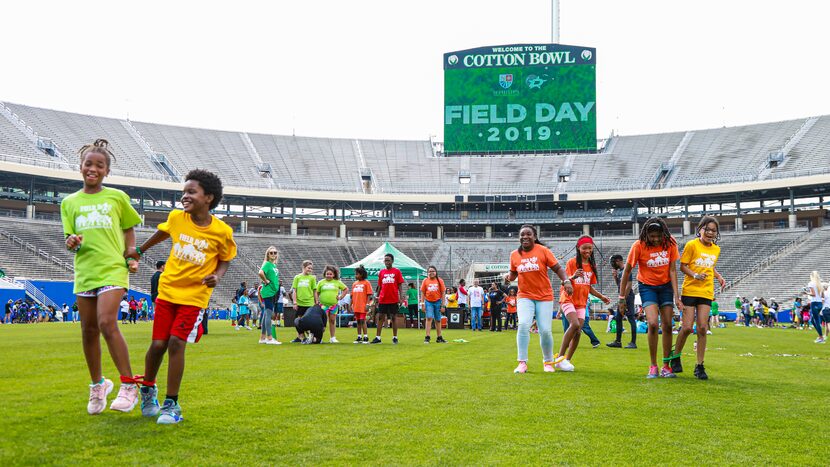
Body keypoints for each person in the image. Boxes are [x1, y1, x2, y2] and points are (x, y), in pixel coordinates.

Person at [131, 168, 236, 424]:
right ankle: (147, 390)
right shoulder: (177, 218)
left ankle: (172, 404)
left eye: (191, 192)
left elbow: (226, 259)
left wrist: (218, 277)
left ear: (208, 197)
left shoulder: (222, 231)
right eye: (183, 192)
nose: (184, 197)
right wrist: (140, 250)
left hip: (195, 295)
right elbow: (163, 232)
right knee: (158, 345)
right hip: (168, 291)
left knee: (177, 343)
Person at [60, 139, 143, 414]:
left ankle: (129, 385)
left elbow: (129, 228)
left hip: (112, 267)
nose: (92, 168)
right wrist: (71, 241)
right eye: (88, 164)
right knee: (88, 330)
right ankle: (98, 385)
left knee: (107, 322)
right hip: (85, 270)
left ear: (106, 171)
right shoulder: (69, 203)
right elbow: (69, 238)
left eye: (99, 165)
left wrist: (131, 254)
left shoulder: (117, 197)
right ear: (81, 167)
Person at [619, 217, 682, 379]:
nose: (655, 239)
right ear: (646, 234)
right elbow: (626, 271)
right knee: (653, 323)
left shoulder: (670, 242)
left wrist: (677, 295)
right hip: (647, 287)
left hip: (666, 286)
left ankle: (666, 366)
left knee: (668, 324)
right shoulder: (638, 245)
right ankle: (653, 365)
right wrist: (621, 297)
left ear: (663, 234)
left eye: (658, 236)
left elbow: (673, 270)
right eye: (652, 236)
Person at [505, 224, 573, 374]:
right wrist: (507, 278)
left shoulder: (543, 251)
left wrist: (566, 281)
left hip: (544, 296)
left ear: (535, 237)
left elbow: (558, 269)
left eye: (528, 234)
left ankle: (547, 362)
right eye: (522, 234)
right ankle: (522, 362)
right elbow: (513, 274)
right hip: (524, 296)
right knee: (523, 325)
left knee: (545, 330)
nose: (525, 237)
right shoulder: (514, 254)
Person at [674, 216, 726, 380]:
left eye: (713, 230)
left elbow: (709, 265)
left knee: (703, 328)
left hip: (706, 291)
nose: (710, 233)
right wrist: (695, 275)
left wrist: (718, 276)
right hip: (690, 290)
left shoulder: (716, 249)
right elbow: (683, 266)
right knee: (687, 327)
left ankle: (700, 365)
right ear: (700, 229)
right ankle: (676, 356)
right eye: (707, 229)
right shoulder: (692, 245)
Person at [554, 236, 611, 372]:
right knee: (575, 325)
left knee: (578, 331)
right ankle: (559, 358)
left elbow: (589, 287)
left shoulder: (591, 266)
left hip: (581, 302)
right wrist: (573, 276)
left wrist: (602, 297)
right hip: (568, 298)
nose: (587, 250)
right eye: (584, 248)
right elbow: (564, 280)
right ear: (578, 249)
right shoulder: (572, 262)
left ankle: (567, 361)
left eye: (590, 248)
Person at [370, 253, 406, 344]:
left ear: (392, 261)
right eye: (385, 260)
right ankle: (378, 338)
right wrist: (376, 297)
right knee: (380, 317)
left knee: (394, 317)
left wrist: (401, 297)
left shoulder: (397, 271)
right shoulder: (381, 272)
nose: (386, 262)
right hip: (383, 298)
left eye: (388, 260)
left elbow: (400, 285)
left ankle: (395, 337)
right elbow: (379, 286)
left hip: (393, 298)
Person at [607, 254, 637, 349]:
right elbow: (619, 285)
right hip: (622, 297)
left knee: (631, 318)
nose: (613, 264)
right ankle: (618, 341)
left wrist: (624, 299)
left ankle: (633, 342)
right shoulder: (620, 271)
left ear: (619, 260)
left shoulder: (626, 270)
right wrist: (615, 277)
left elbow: (629, 285)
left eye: (614, 262)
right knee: (618, 318)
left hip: (627, 297)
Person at [314, 265, 347, 343]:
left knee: (332, 320)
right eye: (327, 274)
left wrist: (341, 296)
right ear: (325, 274)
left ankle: (332, 337)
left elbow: (345, 289)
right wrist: (316, 301)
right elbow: (317, 292)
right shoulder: (321, 282)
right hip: (323, 305)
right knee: (322, 322)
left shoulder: (337, 282)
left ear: (334, 274)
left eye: (330, 274)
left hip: (333, 305)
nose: (328, 275)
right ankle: (320, 337)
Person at [256, 246, 281, 345]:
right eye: (271, 253)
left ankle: (262, 338)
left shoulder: (273, 265)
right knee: (268, 313)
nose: (273, 254)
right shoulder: (267, 264)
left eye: (275, 253)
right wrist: (266, 281)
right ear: (268, 254)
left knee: (266, 314)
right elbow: (260, 272)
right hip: (268, 292)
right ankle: (270, 338)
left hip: (272, 292)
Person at [291, 260, 316, 343]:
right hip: (300, 303)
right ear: (303, 267)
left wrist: (316, 302)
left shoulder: (312, 278)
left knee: (308, 321)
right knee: (297, 321)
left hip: (309, 303)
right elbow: (294, 290)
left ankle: (309, 337)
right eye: (308, 268)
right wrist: (295, 302)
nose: (310, 270)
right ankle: (301, 337)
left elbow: (314, 291)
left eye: (311, 269)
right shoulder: (297, 277)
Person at [420, 265, 447, 343]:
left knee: (438, 320)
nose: (431, 273)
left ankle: (439, 337)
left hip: (437, 302)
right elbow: (422, 292)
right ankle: (427, 336)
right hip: (428, 302)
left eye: (433, 271)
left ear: (436, 272)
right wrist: (422, 304)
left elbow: (443, 293)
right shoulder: (425, 280)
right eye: (429, 271)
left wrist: (443, 305)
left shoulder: (440, 280)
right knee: (429, 318)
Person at [350, 265, 374, 344]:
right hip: (356, 306)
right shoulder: (354, 284)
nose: (355, 275)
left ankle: (366, 337)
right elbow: (352, 295)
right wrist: (351, 305)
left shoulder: (366, 283)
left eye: (357, 274)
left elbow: (369, 295)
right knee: (358, 321)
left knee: (363, 320)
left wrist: (367, 304)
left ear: (362, 274)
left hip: (363, 306)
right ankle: (359, 337)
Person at [806, 272, 825, 343]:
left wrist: (806, 293)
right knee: (813, 320)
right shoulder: (820, 284)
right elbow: (823, 296)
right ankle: (820, 336)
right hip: (820, 303)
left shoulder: (811, 283)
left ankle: (821, 337)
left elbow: (813, 294)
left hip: (814, 303)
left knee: (816, 321)